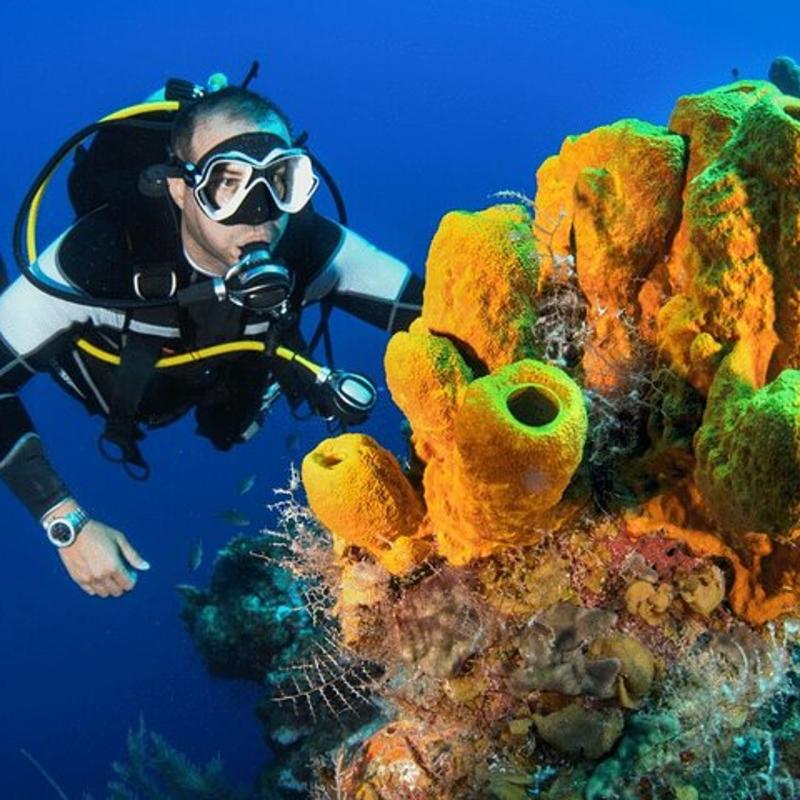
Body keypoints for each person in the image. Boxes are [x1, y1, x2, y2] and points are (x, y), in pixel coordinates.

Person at [0, 82, 423, 599]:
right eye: (229, 183)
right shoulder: (99, 258)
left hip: (226, 388)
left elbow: (435, 311)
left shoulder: (311, 247)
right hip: (108, 384)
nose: (261, 213)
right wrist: (64, 522)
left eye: (283, 181)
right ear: (180, 189)